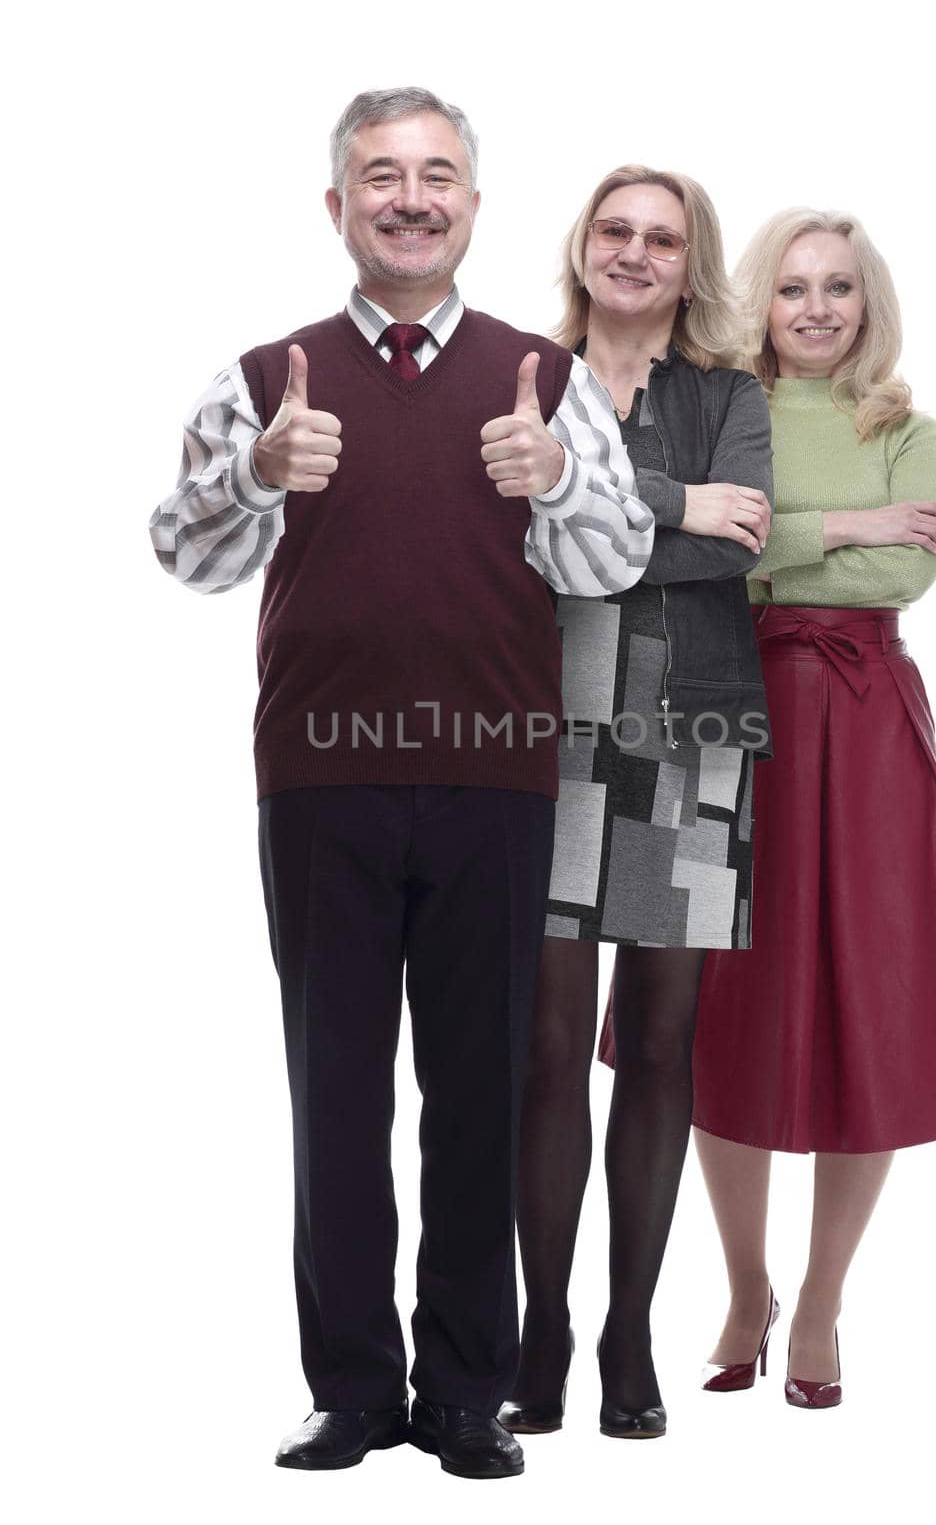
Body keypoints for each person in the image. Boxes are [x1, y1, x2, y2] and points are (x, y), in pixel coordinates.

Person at [149, 87, 655, 1481]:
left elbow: (609, 564)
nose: (410, 197)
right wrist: (257, 471)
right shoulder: (265, 379)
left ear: (473, 207)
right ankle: (354, 1390)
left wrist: (555, 476)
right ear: (338, 205)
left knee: (480, 1089)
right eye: (381, 175)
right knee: (334, 1092)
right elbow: (183, 557)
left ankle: (465, 1396)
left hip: (496, 779)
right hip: (320, 783)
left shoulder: (541, 384)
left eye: (437, 175)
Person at [677, 208, 936, 1409]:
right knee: (725, 1000)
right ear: (758, 302)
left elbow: (905, 570)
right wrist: (846, 525)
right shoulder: (720, 415)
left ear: (868, 306)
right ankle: (740, 1282)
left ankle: (818, 1298)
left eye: (839, 290)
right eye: (792, 288)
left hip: (863, 727)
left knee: (870, 1000)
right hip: (726, 713)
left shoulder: (910, 431)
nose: (814, 309)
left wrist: (782, 543)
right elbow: (706, 559)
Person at [496, 167, 773, 1441]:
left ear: (686, 262)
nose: (634, 251)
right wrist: (669, 499)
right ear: (581, 245)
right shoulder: (523, 375)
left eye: (661, 238)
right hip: (542, 730)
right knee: (547, 1051)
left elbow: (734, 546)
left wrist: (590, 500)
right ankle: (540, 1328)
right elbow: (511, 537)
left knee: (657, 1049)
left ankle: (626, 1336)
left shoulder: (728, 395)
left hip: (690, 731)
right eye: (614, 229)